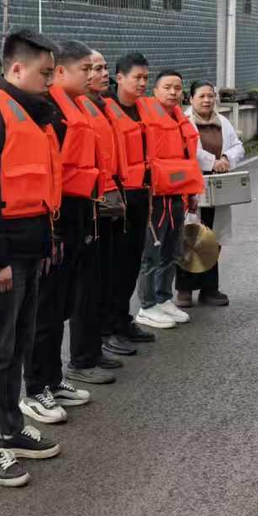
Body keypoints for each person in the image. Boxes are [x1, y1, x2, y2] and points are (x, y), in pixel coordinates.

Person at [0, 29, 65, 489]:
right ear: (16, 68)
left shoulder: (33, 114)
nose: (50, 82)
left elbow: (37, 187)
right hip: (3, 256)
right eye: (45, 73)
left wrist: (47, 241)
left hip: (30, 249)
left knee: (18, 344)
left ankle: (9, 427)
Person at [24, 39, 111, 427]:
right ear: (60, 72)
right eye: (84, 70)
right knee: (45, 311)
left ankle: (53, 378)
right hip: (56, 225)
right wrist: (52, 231)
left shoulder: (76, 108)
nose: (92, 76)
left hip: (79, 220)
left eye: (94, 69)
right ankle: (35, 388)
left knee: (61, 306)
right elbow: (47, 175)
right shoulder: (49, 112)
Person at [137, 69, 204, 327]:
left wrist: (191, 194)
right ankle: (146, 305)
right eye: (167, 87)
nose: (173, 92)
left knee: (172, 252)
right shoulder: (144, 116)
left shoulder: (181, 119)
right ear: (155, 91)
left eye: (177, 88)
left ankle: (163, 298)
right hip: (155, 197)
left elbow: (189, 161)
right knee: (150, 254)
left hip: (177, 195)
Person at [102, 53, 162, 340]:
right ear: (119, 78)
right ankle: (108, 327)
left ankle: (122, 320)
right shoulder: (105, 110)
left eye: (146, 78)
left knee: (131, 265)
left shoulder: (143, 109)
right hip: (118, 199)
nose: (142, 83)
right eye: (137, 77)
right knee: (113, 268)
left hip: (141, 195)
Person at [81, 50, 134, 362]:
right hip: (95, 205)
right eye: (96, 68)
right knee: (93, 282)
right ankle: (97, 340)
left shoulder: (102, 105)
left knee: (114, 272)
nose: (104, 74)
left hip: (113, 199)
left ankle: (111, 329)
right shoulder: (79, 108)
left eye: (103, 68)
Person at [175, 80, 246, 308]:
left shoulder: (222, 121)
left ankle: (209, 289)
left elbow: (238, 146)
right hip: (193, 183)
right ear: (191, 99)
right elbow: (186, 149)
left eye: (210, 96)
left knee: (213, 238)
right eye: (201, 96)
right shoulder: (183, 121)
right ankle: (184, 290)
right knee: (190, 235)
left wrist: (226, 159)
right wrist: (212, 161)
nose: (207, 100)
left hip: (218, 184)